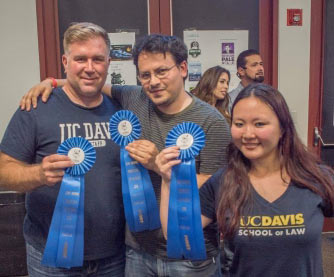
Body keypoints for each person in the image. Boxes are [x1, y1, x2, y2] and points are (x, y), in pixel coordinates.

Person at [20, 34, 231, 276]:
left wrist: (159, 166)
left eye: (162, 71)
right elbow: (91, 83)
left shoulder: (212, 121)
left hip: (190, 256)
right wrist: (51, 83)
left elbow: (216, 191)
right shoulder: (134, 97)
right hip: (136, 253)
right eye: (145, 75)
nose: (153, 82)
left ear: (183, 68)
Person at [157, 83, 334, 276]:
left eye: (259, 124)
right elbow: (176, 236)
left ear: (283, 128)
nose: (248, 134)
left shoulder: (316, 178)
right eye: (239, 124)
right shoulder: (223, 181)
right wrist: (168, 182)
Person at [0, 22, 125, 276]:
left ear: (108, 63)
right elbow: (3, 171)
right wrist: (38, 174)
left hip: (115, 256)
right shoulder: (36, 107)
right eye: (80, 59)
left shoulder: (123, 108)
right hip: (51, 258)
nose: (89, 68)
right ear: (65, 62)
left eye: (97, 59)